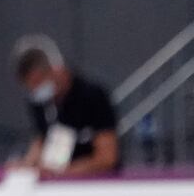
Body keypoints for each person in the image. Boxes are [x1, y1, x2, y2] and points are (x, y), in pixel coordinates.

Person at [10, 35, 119, 177]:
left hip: (94, 184)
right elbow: (41, 141)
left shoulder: (92, 96)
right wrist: (27, 165)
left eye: (39, 82)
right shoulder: (39, 103)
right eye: (31, 87)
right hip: (58, 183)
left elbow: (107, 157)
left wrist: (64, 172)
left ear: (57, 69)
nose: (37, 90)